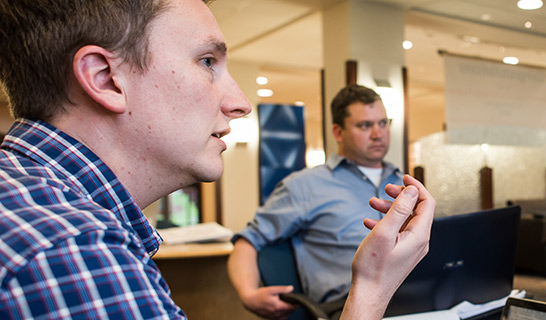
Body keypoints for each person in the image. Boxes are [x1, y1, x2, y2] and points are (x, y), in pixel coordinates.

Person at [0, 1, 434, 319]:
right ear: (106, 79)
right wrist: (373, 287)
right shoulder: (71, 250)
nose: (242, 104)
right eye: (207, 61)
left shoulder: (32, 199)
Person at [227, 84, 403, 318]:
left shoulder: (404, 184)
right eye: (364, 125)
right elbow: (248, 242)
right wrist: (248, 293)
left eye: (383, 123)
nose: (378, 133)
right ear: (338, 132)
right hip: (350, 305)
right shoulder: (304, 186)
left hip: (416, 294)